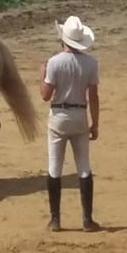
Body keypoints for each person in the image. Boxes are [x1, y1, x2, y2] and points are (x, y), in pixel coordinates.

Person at [39, 16, 101, 232]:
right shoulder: (91, 63)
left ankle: (55, 219)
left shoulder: (54, 62)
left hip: (59, 115)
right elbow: (93, 97)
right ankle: (87, 220)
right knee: (84, 167)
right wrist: (95, 123)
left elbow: (46, 95)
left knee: (55, 167)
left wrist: (42, 76)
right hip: (80, 115)